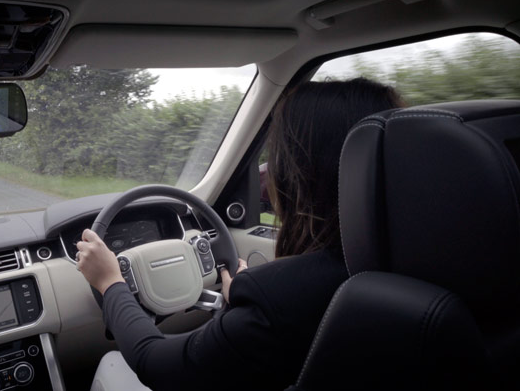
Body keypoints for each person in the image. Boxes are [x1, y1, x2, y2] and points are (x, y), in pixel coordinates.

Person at [76, 78, 405, 391]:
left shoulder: (279, 297)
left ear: (298, 175)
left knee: (112, 363)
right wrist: (243, 308)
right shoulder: (416, 261)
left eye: (274, 159)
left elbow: (156, 365)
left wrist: (111, 282)